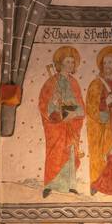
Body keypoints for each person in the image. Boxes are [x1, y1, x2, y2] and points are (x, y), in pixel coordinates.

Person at [38, 47, 85, 195]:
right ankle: (50, 184)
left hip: (70, 124)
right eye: (68, 61)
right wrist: (55, 109)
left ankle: (70, 184)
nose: (71, 64)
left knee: (70, 152)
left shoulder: (75, 83)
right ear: (60, 63)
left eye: (73, 62)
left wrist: (73, 113)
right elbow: (44, 103)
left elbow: (81, 106)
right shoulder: (51, 82)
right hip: (56, 126)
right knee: (55, 152)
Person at [85, 45, 112, 195]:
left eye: (110, 62)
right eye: (105, 63)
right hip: (102, 123)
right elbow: (90, 105)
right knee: (100, 152)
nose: (107, 65)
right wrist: (104, 104)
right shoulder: (96, 83)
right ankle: (96, 184)